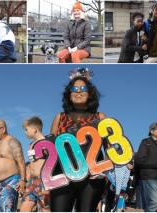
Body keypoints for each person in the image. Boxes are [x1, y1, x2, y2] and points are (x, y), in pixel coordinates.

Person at [49, 67, 107, 211]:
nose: (79, 91)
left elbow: (109, 147)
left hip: (92, 176)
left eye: (83, 88)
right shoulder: (59, 117)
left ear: (90, 93)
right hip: (62, 174)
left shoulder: (100, 117)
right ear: (69, 94)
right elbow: (51, 146)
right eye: (74, 89)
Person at [0, 119, 26, 212]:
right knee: (0, 210)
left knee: (8, 210)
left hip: (10, 181)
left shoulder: (12, 141)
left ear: (3, 129)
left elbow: (21, 161)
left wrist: (23, 180)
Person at [20, 116, 50, 212]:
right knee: (24, 208)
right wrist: (25, 181)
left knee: (45, 208)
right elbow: (31, 165)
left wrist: (48, 184)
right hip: (32, 182)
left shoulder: (46, 142)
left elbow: (52, 162)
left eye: (26, 130)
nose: (25, 132)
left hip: (44, 181)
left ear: (35, 129)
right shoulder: (31, 144)